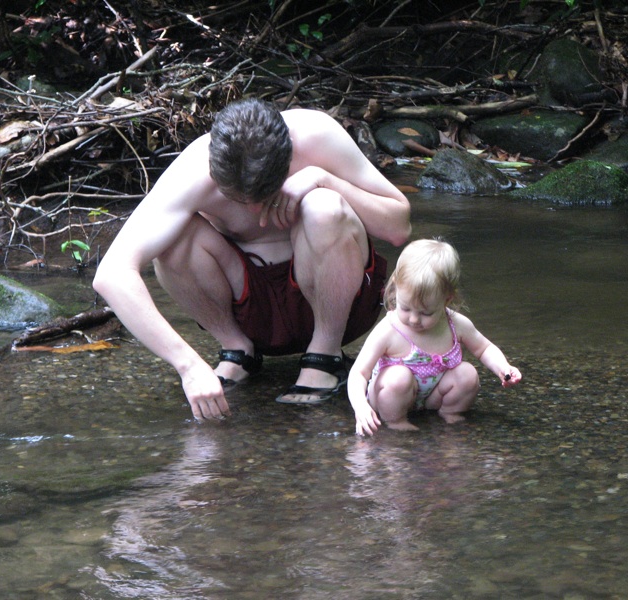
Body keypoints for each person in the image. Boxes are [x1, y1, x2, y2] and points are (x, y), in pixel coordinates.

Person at [93, 98, 411, 421]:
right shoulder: (193, 171)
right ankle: (237, 350)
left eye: (266, 196)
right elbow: (113, 273)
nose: (258, 212)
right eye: (240, 201)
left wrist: (324, 179)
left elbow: (399, 226)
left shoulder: (317, 137)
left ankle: (324, 354)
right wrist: (187, 364)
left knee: (323, 207)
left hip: (337, 301)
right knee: (173, 241)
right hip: (250, 306)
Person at [347, 238, 522, 435]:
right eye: (405, 308)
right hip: (389, 397)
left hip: (430, 396)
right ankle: (396, 422)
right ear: (396, 289)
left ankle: (450, 414)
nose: (414, 319)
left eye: (425, 313)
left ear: (446, 299)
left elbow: (484, 348)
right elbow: (358, 373)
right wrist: (360, 406)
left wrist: (503, 368)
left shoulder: (456, 324)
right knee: (399, 377)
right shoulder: (389, 330)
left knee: (468, 374)